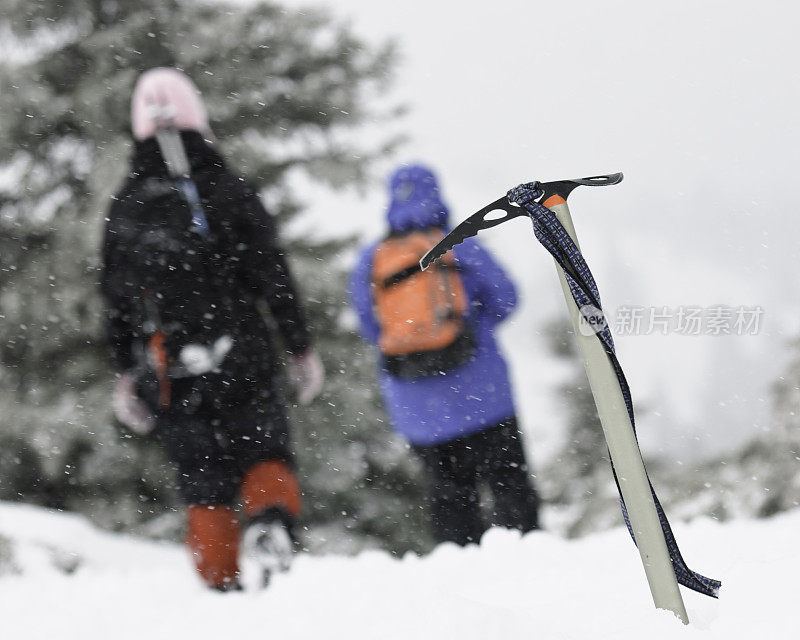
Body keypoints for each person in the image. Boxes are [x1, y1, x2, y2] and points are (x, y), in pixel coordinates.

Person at [101, 68, 323, 591]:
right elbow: (272, 272)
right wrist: (299, 347)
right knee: (265, 450)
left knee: (202, 477)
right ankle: (270, 525)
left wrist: (125, 373)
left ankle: (220, 585)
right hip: (241, 345)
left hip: (171, 364)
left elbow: (116, 301)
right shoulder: (227, 188)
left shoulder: (127, 204)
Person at [349, 163, 540, 546]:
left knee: (451, 497)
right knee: (509, 486)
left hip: (419, 408)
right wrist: (468, 322)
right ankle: (531, 563)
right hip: (484, 394)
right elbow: (507, 298)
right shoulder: (461, 243)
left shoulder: (372, 259)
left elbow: (371, 328)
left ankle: (463, 574)